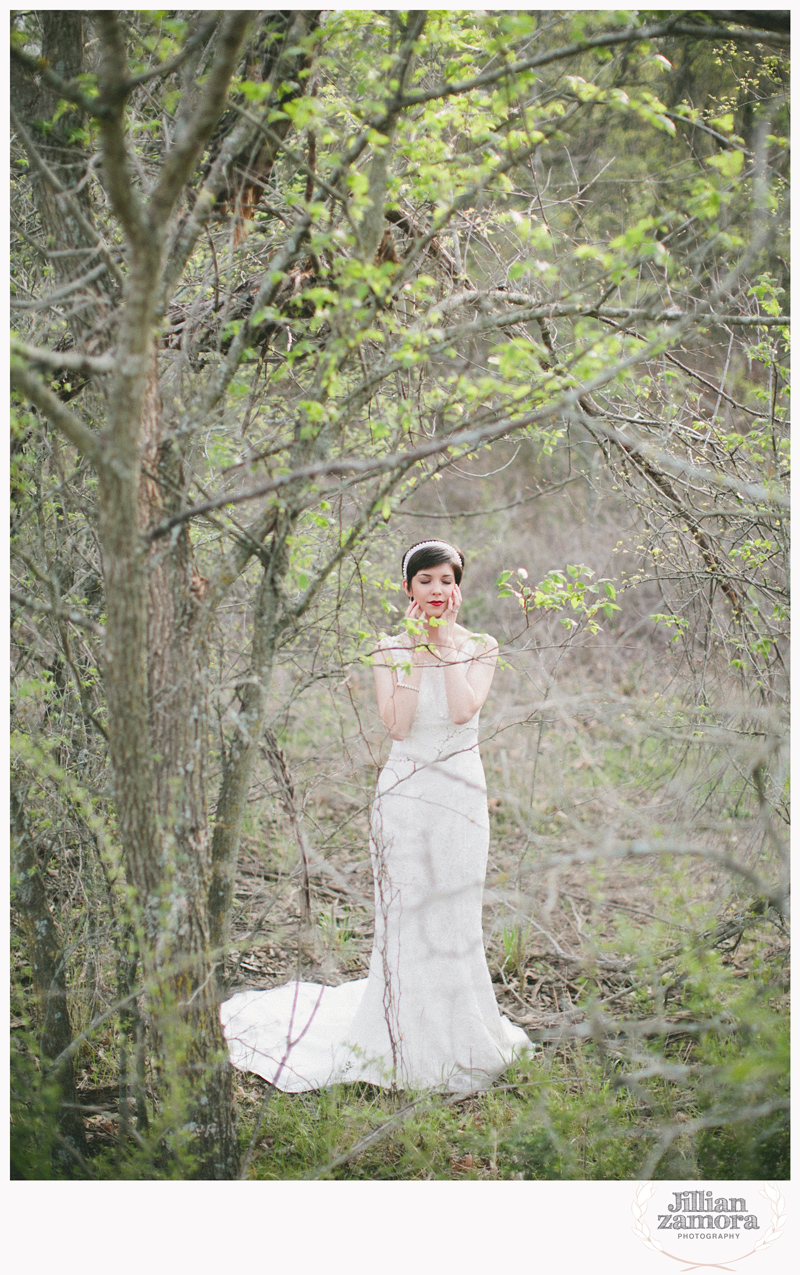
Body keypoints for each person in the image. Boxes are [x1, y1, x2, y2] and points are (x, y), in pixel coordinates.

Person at [221, 539, 530, 1092]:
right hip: (405, 792)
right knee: (406, 912)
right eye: (426, 580)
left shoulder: (482, 646)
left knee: (454, 911)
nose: (438, 590)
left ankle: (459, 1035)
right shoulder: (387, 648)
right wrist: (414, 650)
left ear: (459, 587)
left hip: (460, 795)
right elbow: (398, 726)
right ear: (407, 587)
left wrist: (444, 647)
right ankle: (398, 1037)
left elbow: (462, 710)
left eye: (447, 580)